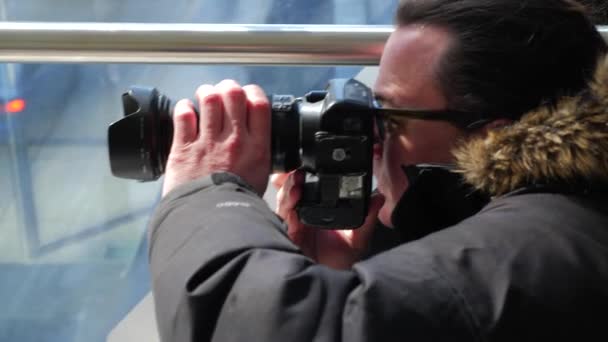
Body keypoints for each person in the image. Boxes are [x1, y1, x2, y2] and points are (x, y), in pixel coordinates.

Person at [148, 0, 608, 341]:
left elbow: (273, 329)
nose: (366, 139)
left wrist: (205, 193)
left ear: (489, 136)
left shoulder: (546, 247)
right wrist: (341, 276)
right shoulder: (563, 217)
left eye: (386, 117)